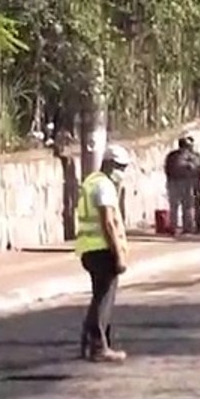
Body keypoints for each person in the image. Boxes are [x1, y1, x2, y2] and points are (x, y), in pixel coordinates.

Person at [75, 144, 133, 362]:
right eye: (120, 167)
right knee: (104, 300)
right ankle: (99, 347)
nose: (122, 172)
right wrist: (119, 254)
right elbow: (108, 223)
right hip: (103, 249)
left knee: (99, 297)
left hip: (88, 249)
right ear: (109, 164)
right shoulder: (104, 185)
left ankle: (89, 343)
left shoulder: (90, 181)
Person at [164, 136, 200, 234]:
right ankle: (187, 228)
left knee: (174, 206)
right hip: (188, 183)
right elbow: (199, 170)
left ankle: (173, 227)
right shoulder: (193, 156)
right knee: (188, 206)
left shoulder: (172, 155)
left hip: (173, 182)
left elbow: (166, 168)